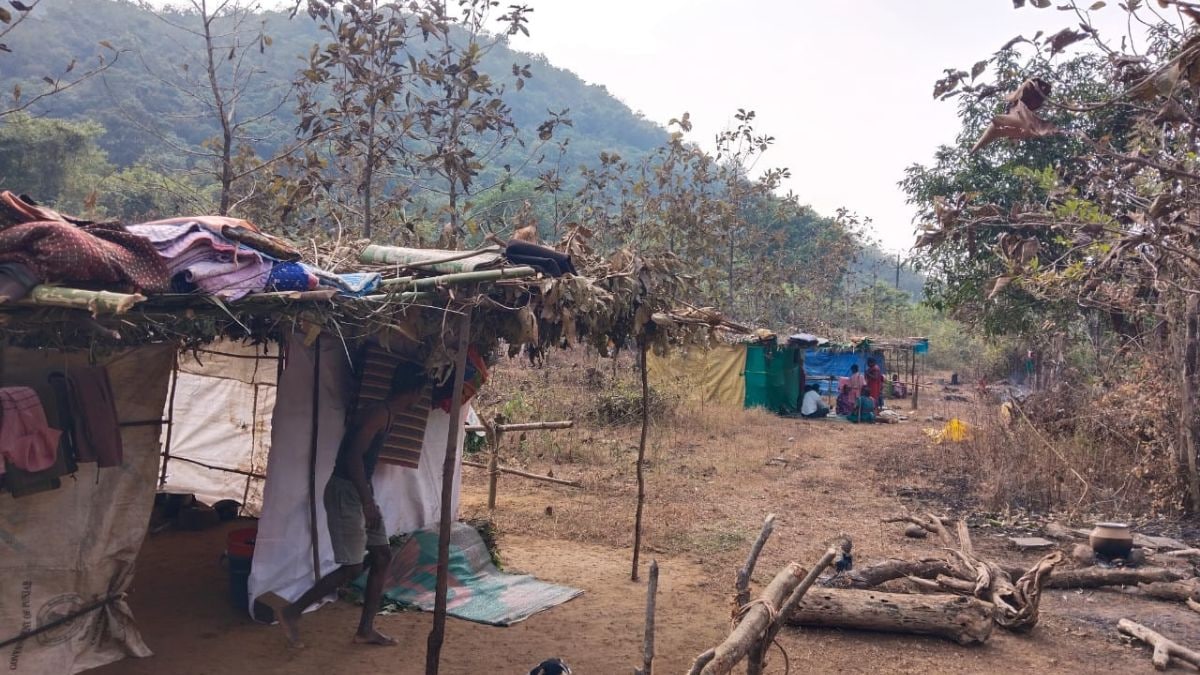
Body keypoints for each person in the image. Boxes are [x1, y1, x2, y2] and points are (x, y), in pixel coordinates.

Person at [277, 361, 429, 648]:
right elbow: (352, 459)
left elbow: (362, 462)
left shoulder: (387, 414)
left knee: (382, 556)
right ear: (415, 391)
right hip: (346, 493)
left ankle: (365, 630)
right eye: (421, 393)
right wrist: (367, 501)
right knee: (352, 568)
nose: (421, 399)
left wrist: (368, 499)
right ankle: (292, 611)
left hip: (359, 492)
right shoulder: (377, 415)